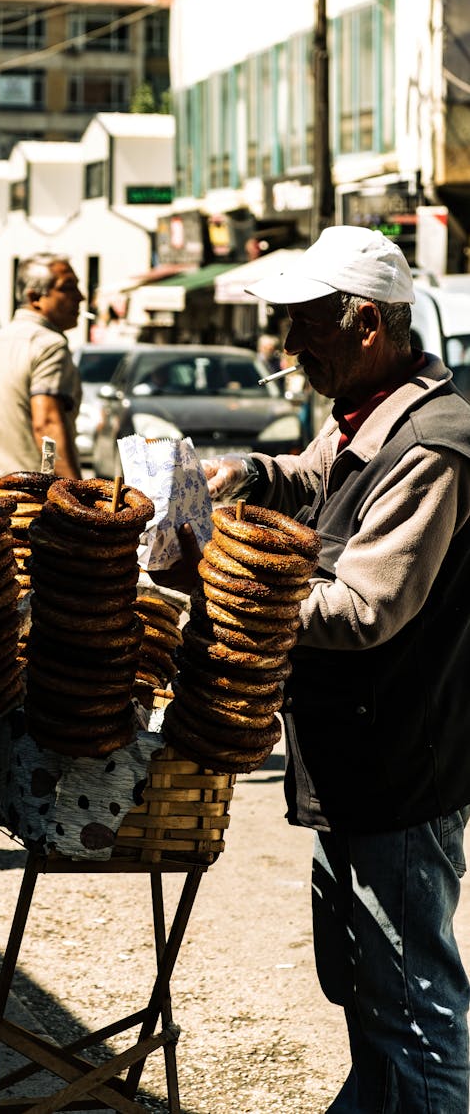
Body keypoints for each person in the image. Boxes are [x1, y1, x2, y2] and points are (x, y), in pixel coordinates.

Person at [156, 225, 470, 1113]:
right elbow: (315, 474)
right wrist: (246, 475)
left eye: (306, 326)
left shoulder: (432, 446)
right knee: (372, 995)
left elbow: (363, 609)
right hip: (355, 758)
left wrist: (211, 577)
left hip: (400, 766)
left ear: (367, 322)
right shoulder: (374, 416)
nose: (290, 349)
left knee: (414, 1014)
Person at [0, 253, 84, 495]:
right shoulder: (49, 345)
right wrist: (74, 492)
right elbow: (47, 426)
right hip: (29, 503)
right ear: (35, 298)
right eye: (68, 288)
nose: (81, 297)